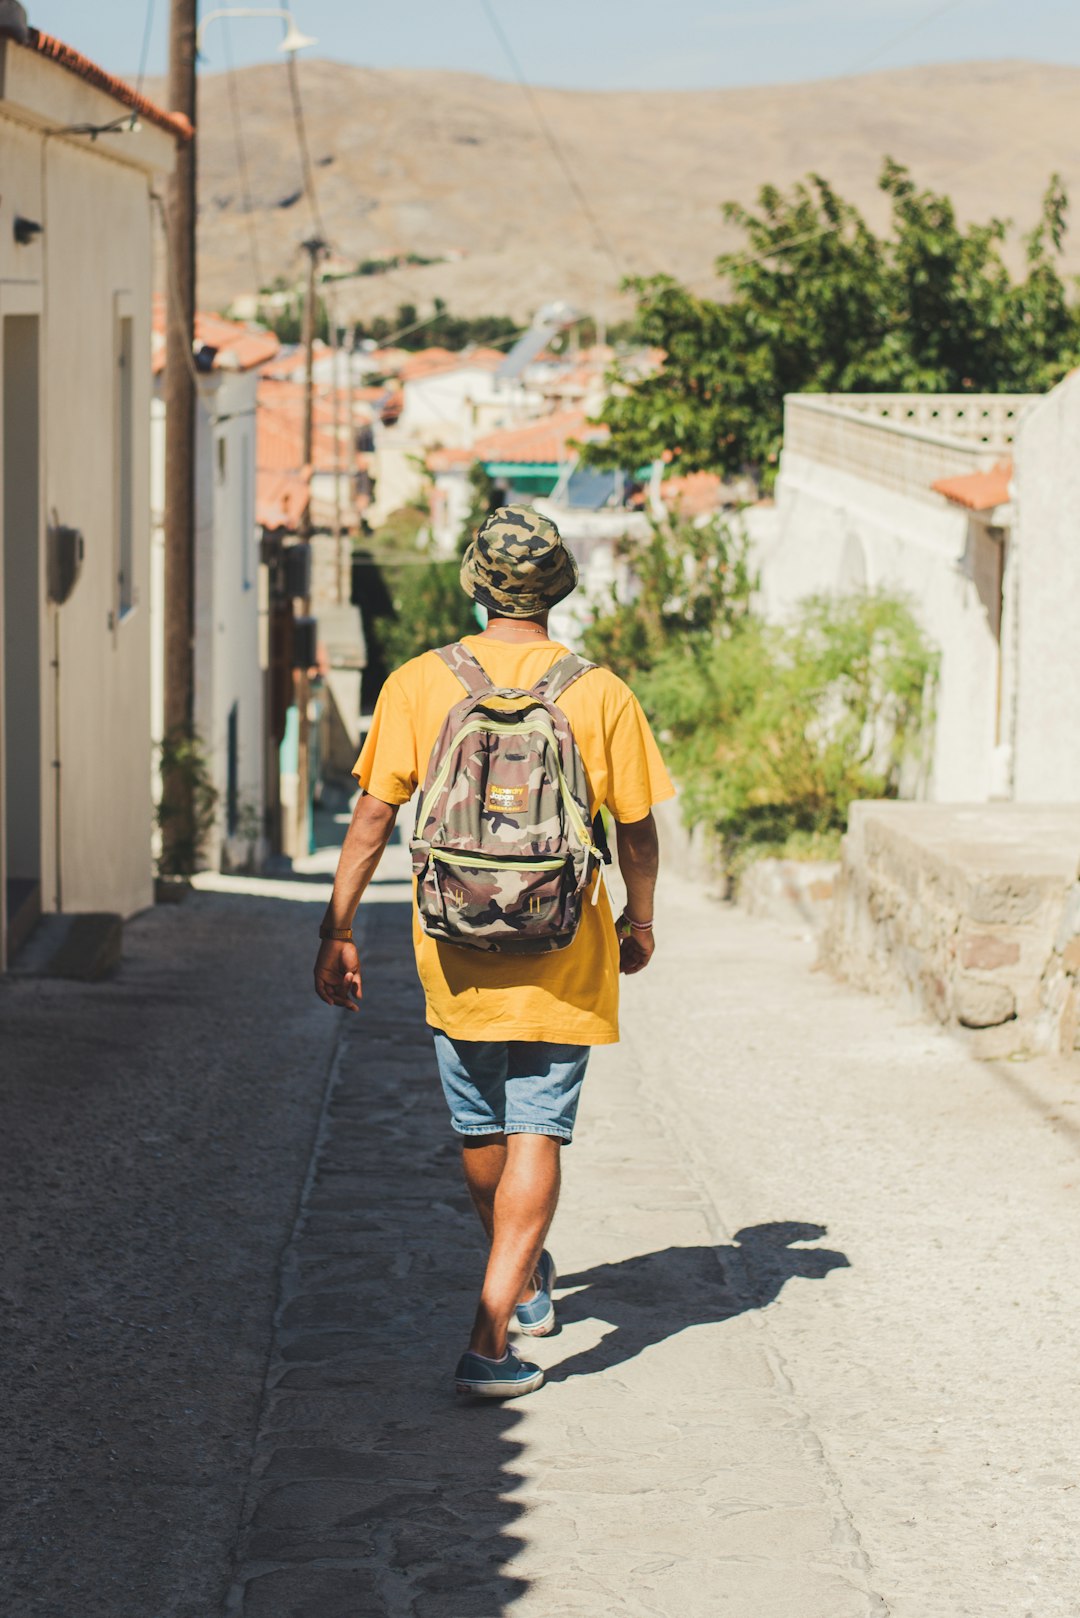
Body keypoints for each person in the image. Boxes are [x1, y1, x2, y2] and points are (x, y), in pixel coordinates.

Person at [314, 505, 674, 1398]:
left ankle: (515, 1291)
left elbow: (369, 820)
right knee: (537, 1127)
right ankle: (492, 1330)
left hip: (454, 946)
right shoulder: (601, 692)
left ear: (475, 582)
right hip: (564, 949)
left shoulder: (415, 684)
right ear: (559, 590)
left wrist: (339, 929)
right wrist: (640, 921)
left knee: (480, 1126)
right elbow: (637, 830)